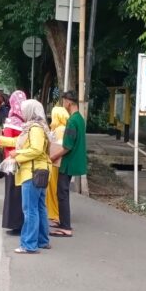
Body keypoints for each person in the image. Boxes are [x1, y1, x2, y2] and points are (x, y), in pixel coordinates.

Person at [0, 99, 51, 253]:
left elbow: (35, 150)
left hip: (32, 172)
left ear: (31, 111)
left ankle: (29, 244)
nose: (22, 113)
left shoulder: (35, 128)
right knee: (40, 208)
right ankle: (42, 240)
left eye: (24, 110)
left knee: (30, 210)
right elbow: (19, 141)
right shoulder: (35, 127)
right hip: (39, 171)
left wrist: (18, 154)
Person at [49, 91, 88, 237]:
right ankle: (63, 222)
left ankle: (65, 226)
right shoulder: (79, 119)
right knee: (63, 192)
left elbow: (67, 146)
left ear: (68, 102)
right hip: (73, 160)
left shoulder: (72, 121)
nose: (63, 105)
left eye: (64, 102)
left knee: (62, 192)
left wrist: (53, 157)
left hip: (68, 162)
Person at [1, 90, 27, 234]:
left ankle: (14, 224)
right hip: (26, 161)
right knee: (22, 194)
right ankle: (22, 223)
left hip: (12, 162)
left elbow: (7, 144)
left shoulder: (11, 121)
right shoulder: (27, 121)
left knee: (12, 193)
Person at [46, 106, 70, 224]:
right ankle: (54, 213)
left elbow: (59, 146)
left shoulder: (60, 130)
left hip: (56, 162)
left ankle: (54, 214)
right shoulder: (62, 128)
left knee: (54, 188)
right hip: (57, 162)